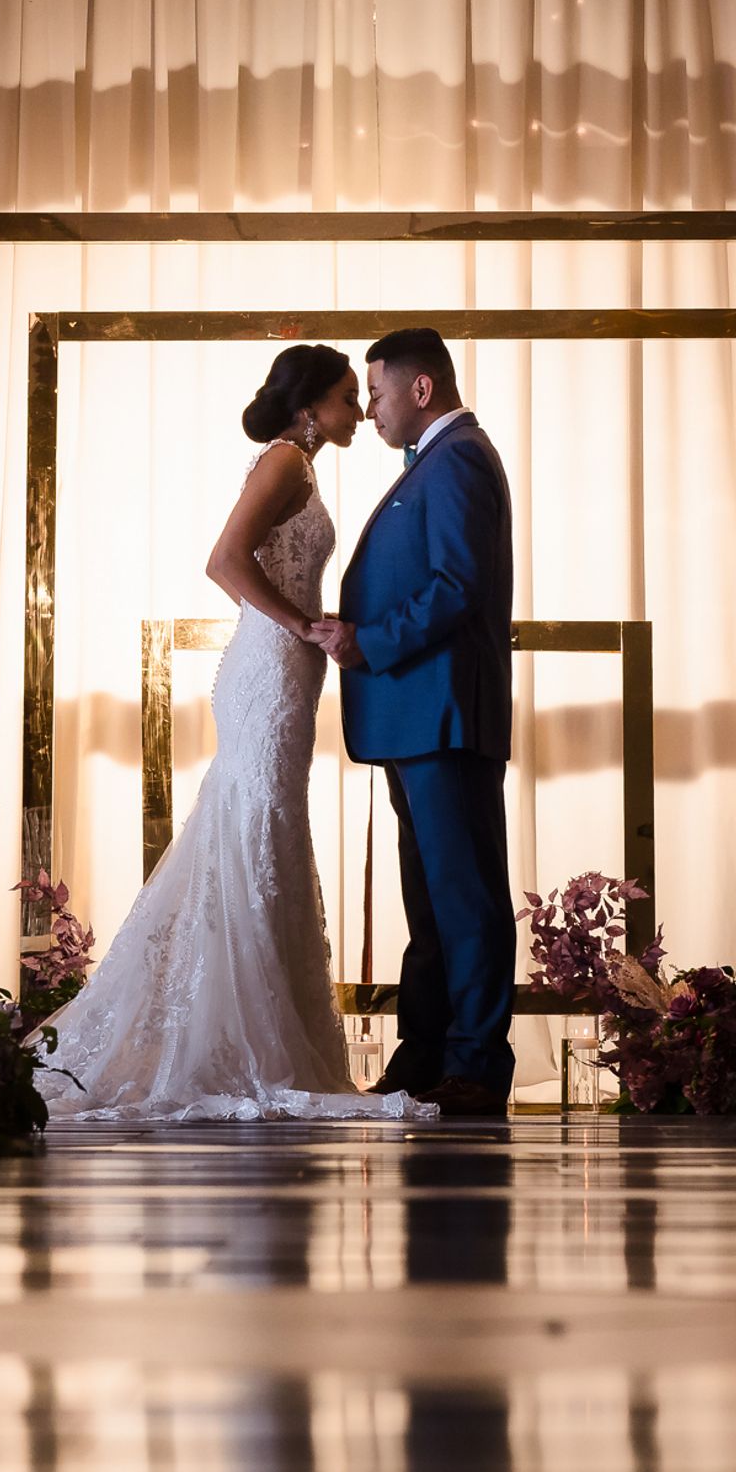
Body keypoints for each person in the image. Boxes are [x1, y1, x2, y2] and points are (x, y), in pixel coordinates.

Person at [39, 343, 436, 1123]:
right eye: (347, 396)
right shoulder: (286, 461)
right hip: (269, 670)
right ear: (309, 404)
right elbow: (223, 560)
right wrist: (299, 624)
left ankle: (254, 1018)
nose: (359, 409)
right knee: (256, 824)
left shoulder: (299, 463)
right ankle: (234, 1037)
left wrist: (303, 634)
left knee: (265, 829)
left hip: (284, 671)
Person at [309, 327, 518, 1118]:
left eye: (378, 391)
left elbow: (456, 586)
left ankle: (474, 1063)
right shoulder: (435, 462)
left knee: (463, 898)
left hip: (444, 717)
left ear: (420, 388)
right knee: (430, 903)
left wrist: (369, 639)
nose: (371, 407)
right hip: (417, 719)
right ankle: (427, 1052)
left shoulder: (458, 456)